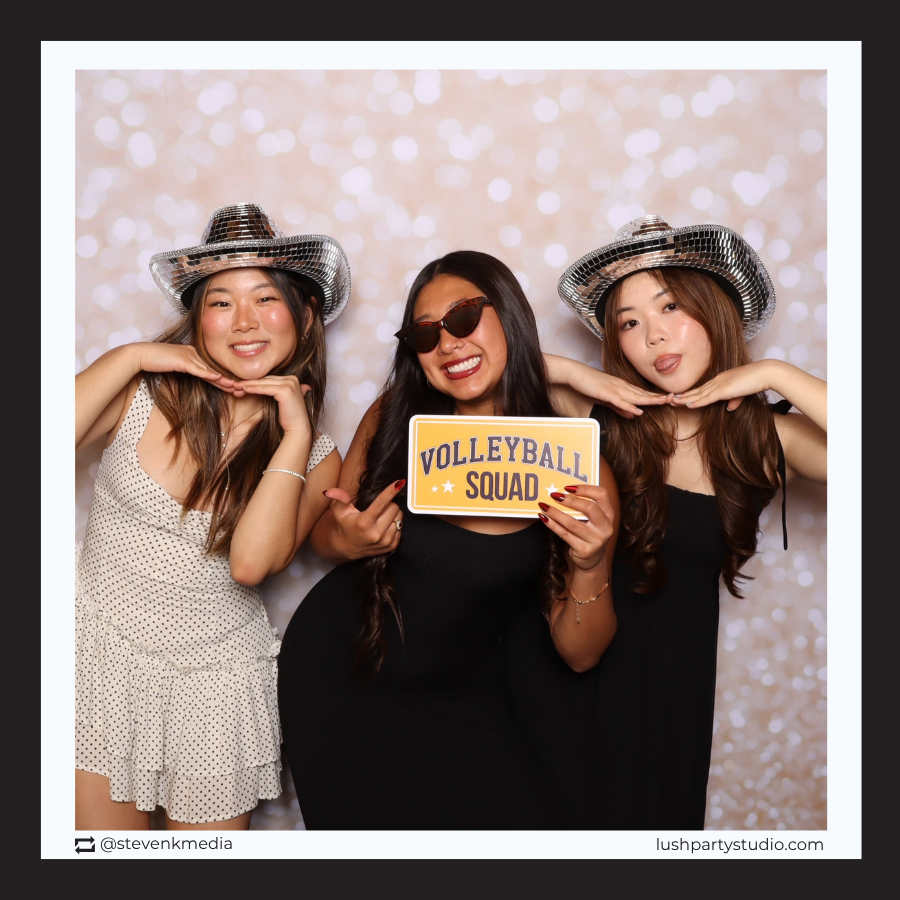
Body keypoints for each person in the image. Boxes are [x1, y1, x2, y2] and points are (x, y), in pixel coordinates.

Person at [501, 214, 828, 830]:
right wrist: (576, 373)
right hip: (547, 682)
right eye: (629, 322)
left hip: (667, 705)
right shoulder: (593, 415)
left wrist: (772, 373)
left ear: (716, 310)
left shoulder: (760, 440)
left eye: (671, 306)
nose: (653, 336)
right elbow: (476, 368)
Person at [277, 250, 620, 829]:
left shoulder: (574, 463)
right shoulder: (394, 417)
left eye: (464, 319)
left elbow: (580, 655)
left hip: (462, 697)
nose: (449, 345)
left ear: (508, 315)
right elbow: (324, 537)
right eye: (425, 334)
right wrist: (348, 539)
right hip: (340, 680)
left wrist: (592, 561)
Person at [75, 202, 350, 830]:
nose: (244, 322)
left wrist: (294, 435)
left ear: (304, 315)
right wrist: (135, 356)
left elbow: (252, 563)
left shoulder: (317, 455)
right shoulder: (143, 389)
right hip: (101, 658)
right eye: (220, 302)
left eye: (265, 298)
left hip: (217, 688)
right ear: (196, 318)